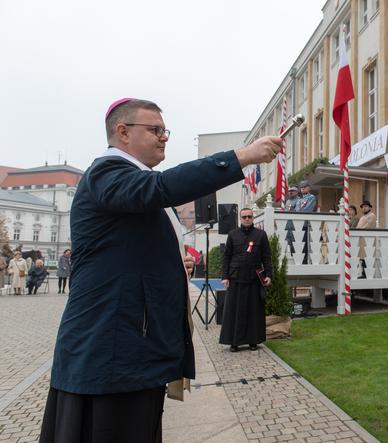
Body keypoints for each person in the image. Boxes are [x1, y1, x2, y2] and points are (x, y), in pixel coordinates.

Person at [39, 98, 283, 443]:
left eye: (164, 130)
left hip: (128, 351)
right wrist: (241, 156)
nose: (164, 137)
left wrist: (171, 262)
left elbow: (125, 250)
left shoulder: (125, 179)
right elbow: (161, 187)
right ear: (122, 132)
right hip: (111, 353)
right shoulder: (106, 172)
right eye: (155, 130)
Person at [219, 208, 272, 352]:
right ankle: (234, 342)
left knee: (254, 312)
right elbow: (226, 258)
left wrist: (269, 275)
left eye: (249, 216)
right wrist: (225, 277)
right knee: (234, 312)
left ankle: (253, 341)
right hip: (236, 279)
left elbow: (267, 257)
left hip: (254, 279)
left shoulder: (261, 235)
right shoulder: (232, 234)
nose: (247, 219)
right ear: (240, 219)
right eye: (244, 217)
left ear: (252, 218)